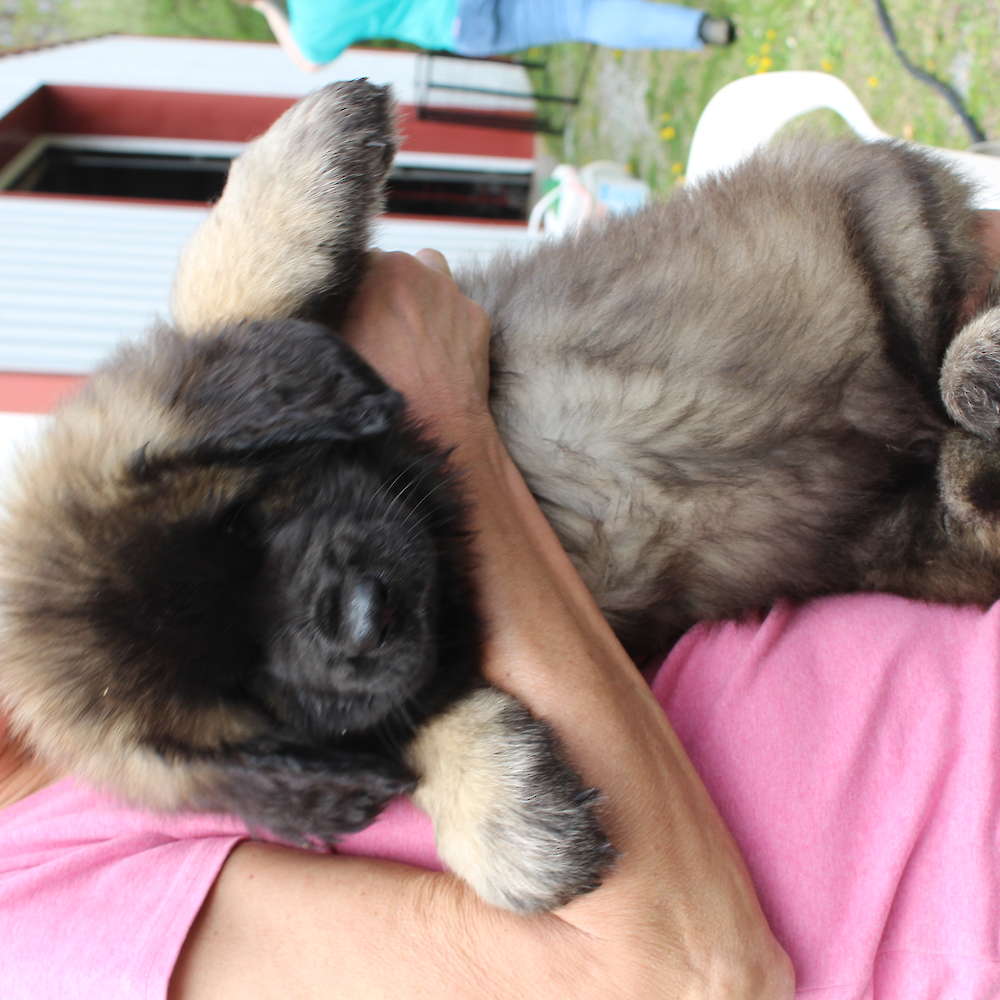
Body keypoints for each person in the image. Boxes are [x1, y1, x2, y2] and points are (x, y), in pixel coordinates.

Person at [3, 242, 1000, 997]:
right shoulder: (35, 919)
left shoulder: (77, 566)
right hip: (950, 899)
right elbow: (685, 978)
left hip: (927, 607)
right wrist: (441, 421)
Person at [235, 0, 736, 73]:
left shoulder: (310, 24)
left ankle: (697, 29)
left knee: (578, 18)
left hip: (461, 27)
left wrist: (267, 10)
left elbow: (307, 62)